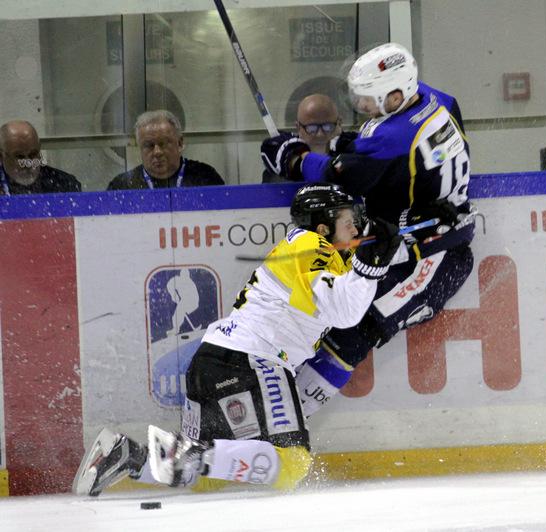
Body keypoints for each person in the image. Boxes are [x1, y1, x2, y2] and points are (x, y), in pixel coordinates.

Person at [73, 183, 404, 495]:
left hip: (212, 362)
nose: (356, 228)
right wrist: (371, 265)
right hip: (254, 359)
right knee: (293, 461)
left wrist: (382, 256)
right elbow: (344, 312)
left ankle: (129, 457)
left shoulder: (315, 252)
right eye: (349, 221)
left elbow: (353, 286)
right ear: (323, 226)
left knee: (208, 478)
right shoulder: (312, 244)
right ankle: (183, 453)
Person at [261, 42, 476, 417]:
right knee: (321, 317)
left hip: (432, 258)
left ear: (395, 96)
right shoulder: (437, 99)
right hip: (411, 241)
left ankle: (287, 423)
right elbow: (398, 159)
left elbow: (337, 174)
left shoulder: (392, 139)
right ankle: (270, 410)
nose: (360, 106)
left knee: (352, 333)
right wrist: (349, 145)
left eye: (368, 99)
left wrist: (293, 158)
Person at [107, 110, 225, 190]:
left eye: (163, 144)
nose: (157, 152)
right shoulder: (122, 186)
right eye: (149, 145)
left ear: (180, 143)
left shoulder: (205, 177)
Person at [260, 94, 354, 183]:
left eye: (327, 127)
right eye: (312, 128)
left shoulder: (353, 145)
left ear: (339, 123)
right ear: (298, 127)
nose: (320, 134)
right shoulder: (282, 153)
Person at [0, 120, 81, 195]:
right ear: (1, 156)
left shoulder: (65, 184)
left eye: (33, 154)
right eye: (20, 157)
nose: (28, 163)